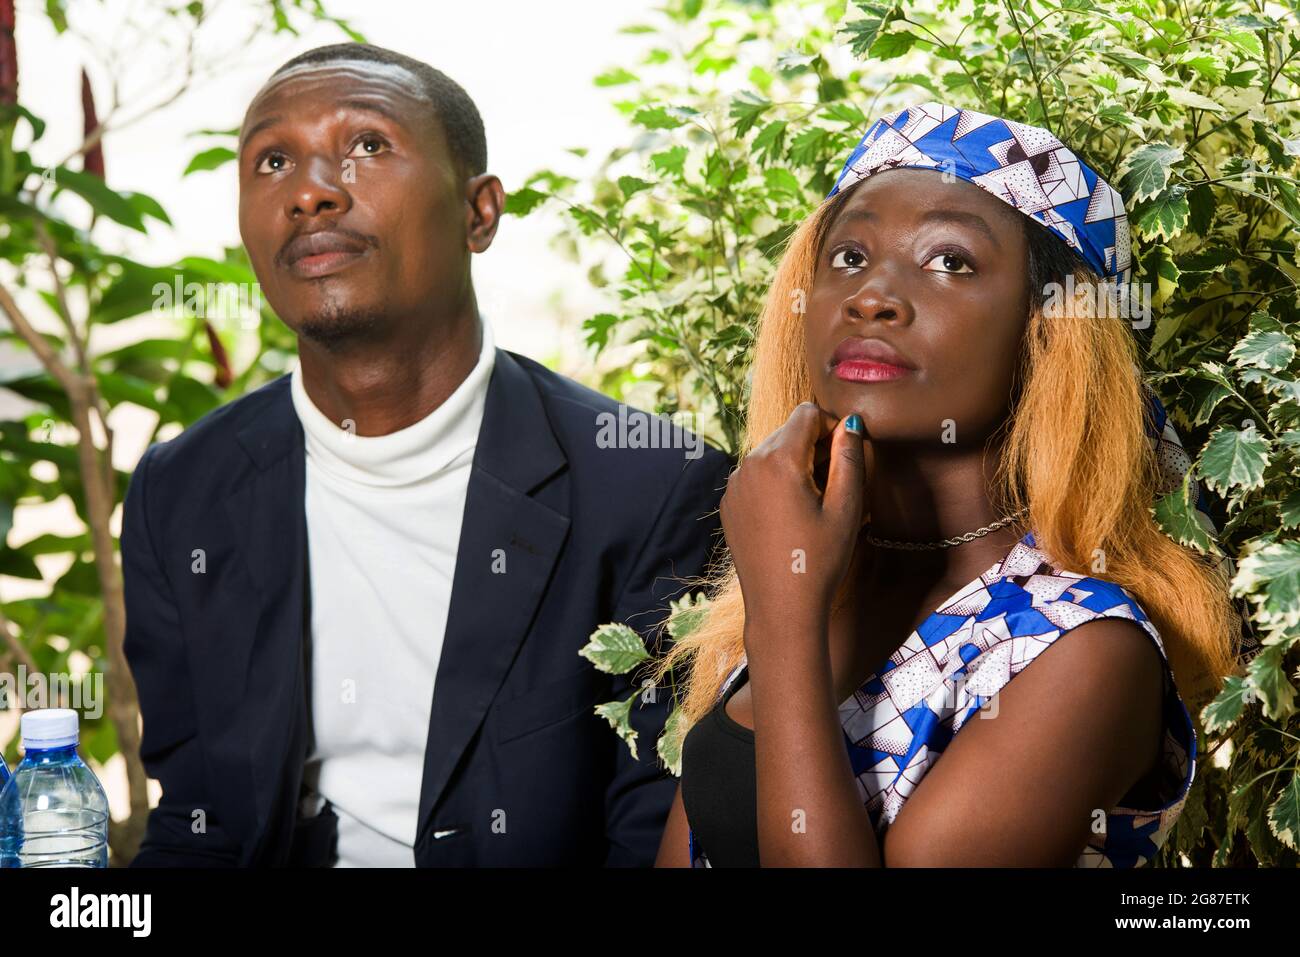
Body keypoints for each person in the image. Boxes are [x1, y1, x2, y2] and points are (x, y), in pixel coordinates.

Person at [120, 42, 730, 867]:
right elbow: (197, 821)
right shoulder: (181, 490)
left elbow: (655, 834)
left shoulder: (649, 486)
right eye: (272, 160)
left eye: (367, 145)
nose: (309, 191)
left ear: (479, 213)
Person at [651, 101, 1249, 868]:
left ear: (1049, 332)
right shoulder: (813, 578)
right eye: (848, 258)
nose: (873, 296)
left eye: (950, 262)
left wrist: (787, 620)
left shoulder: (1083, 648)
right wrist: (787, 599)